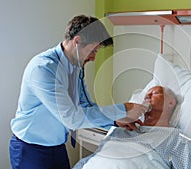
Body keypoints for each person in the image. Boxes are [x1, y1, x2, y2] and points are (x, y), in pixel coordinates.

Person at [9, 14, 148, 169]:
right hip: (30, 148)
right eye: (94, 50)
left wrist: (115, 120)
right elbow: (71, 118)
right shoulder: (43, 69)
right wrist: (123, 109)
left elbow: (86, 105)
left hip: (57, 146)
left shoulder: (76, 67)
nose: (94, 58)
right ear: (77, 41)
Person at [73, 86, 191, 169]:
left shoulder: (176, 137)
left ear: (171, 102)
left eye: (154, 93)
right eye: (146, 95)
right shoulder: (121, 129)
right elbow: (95, 157)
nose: (147, 96)